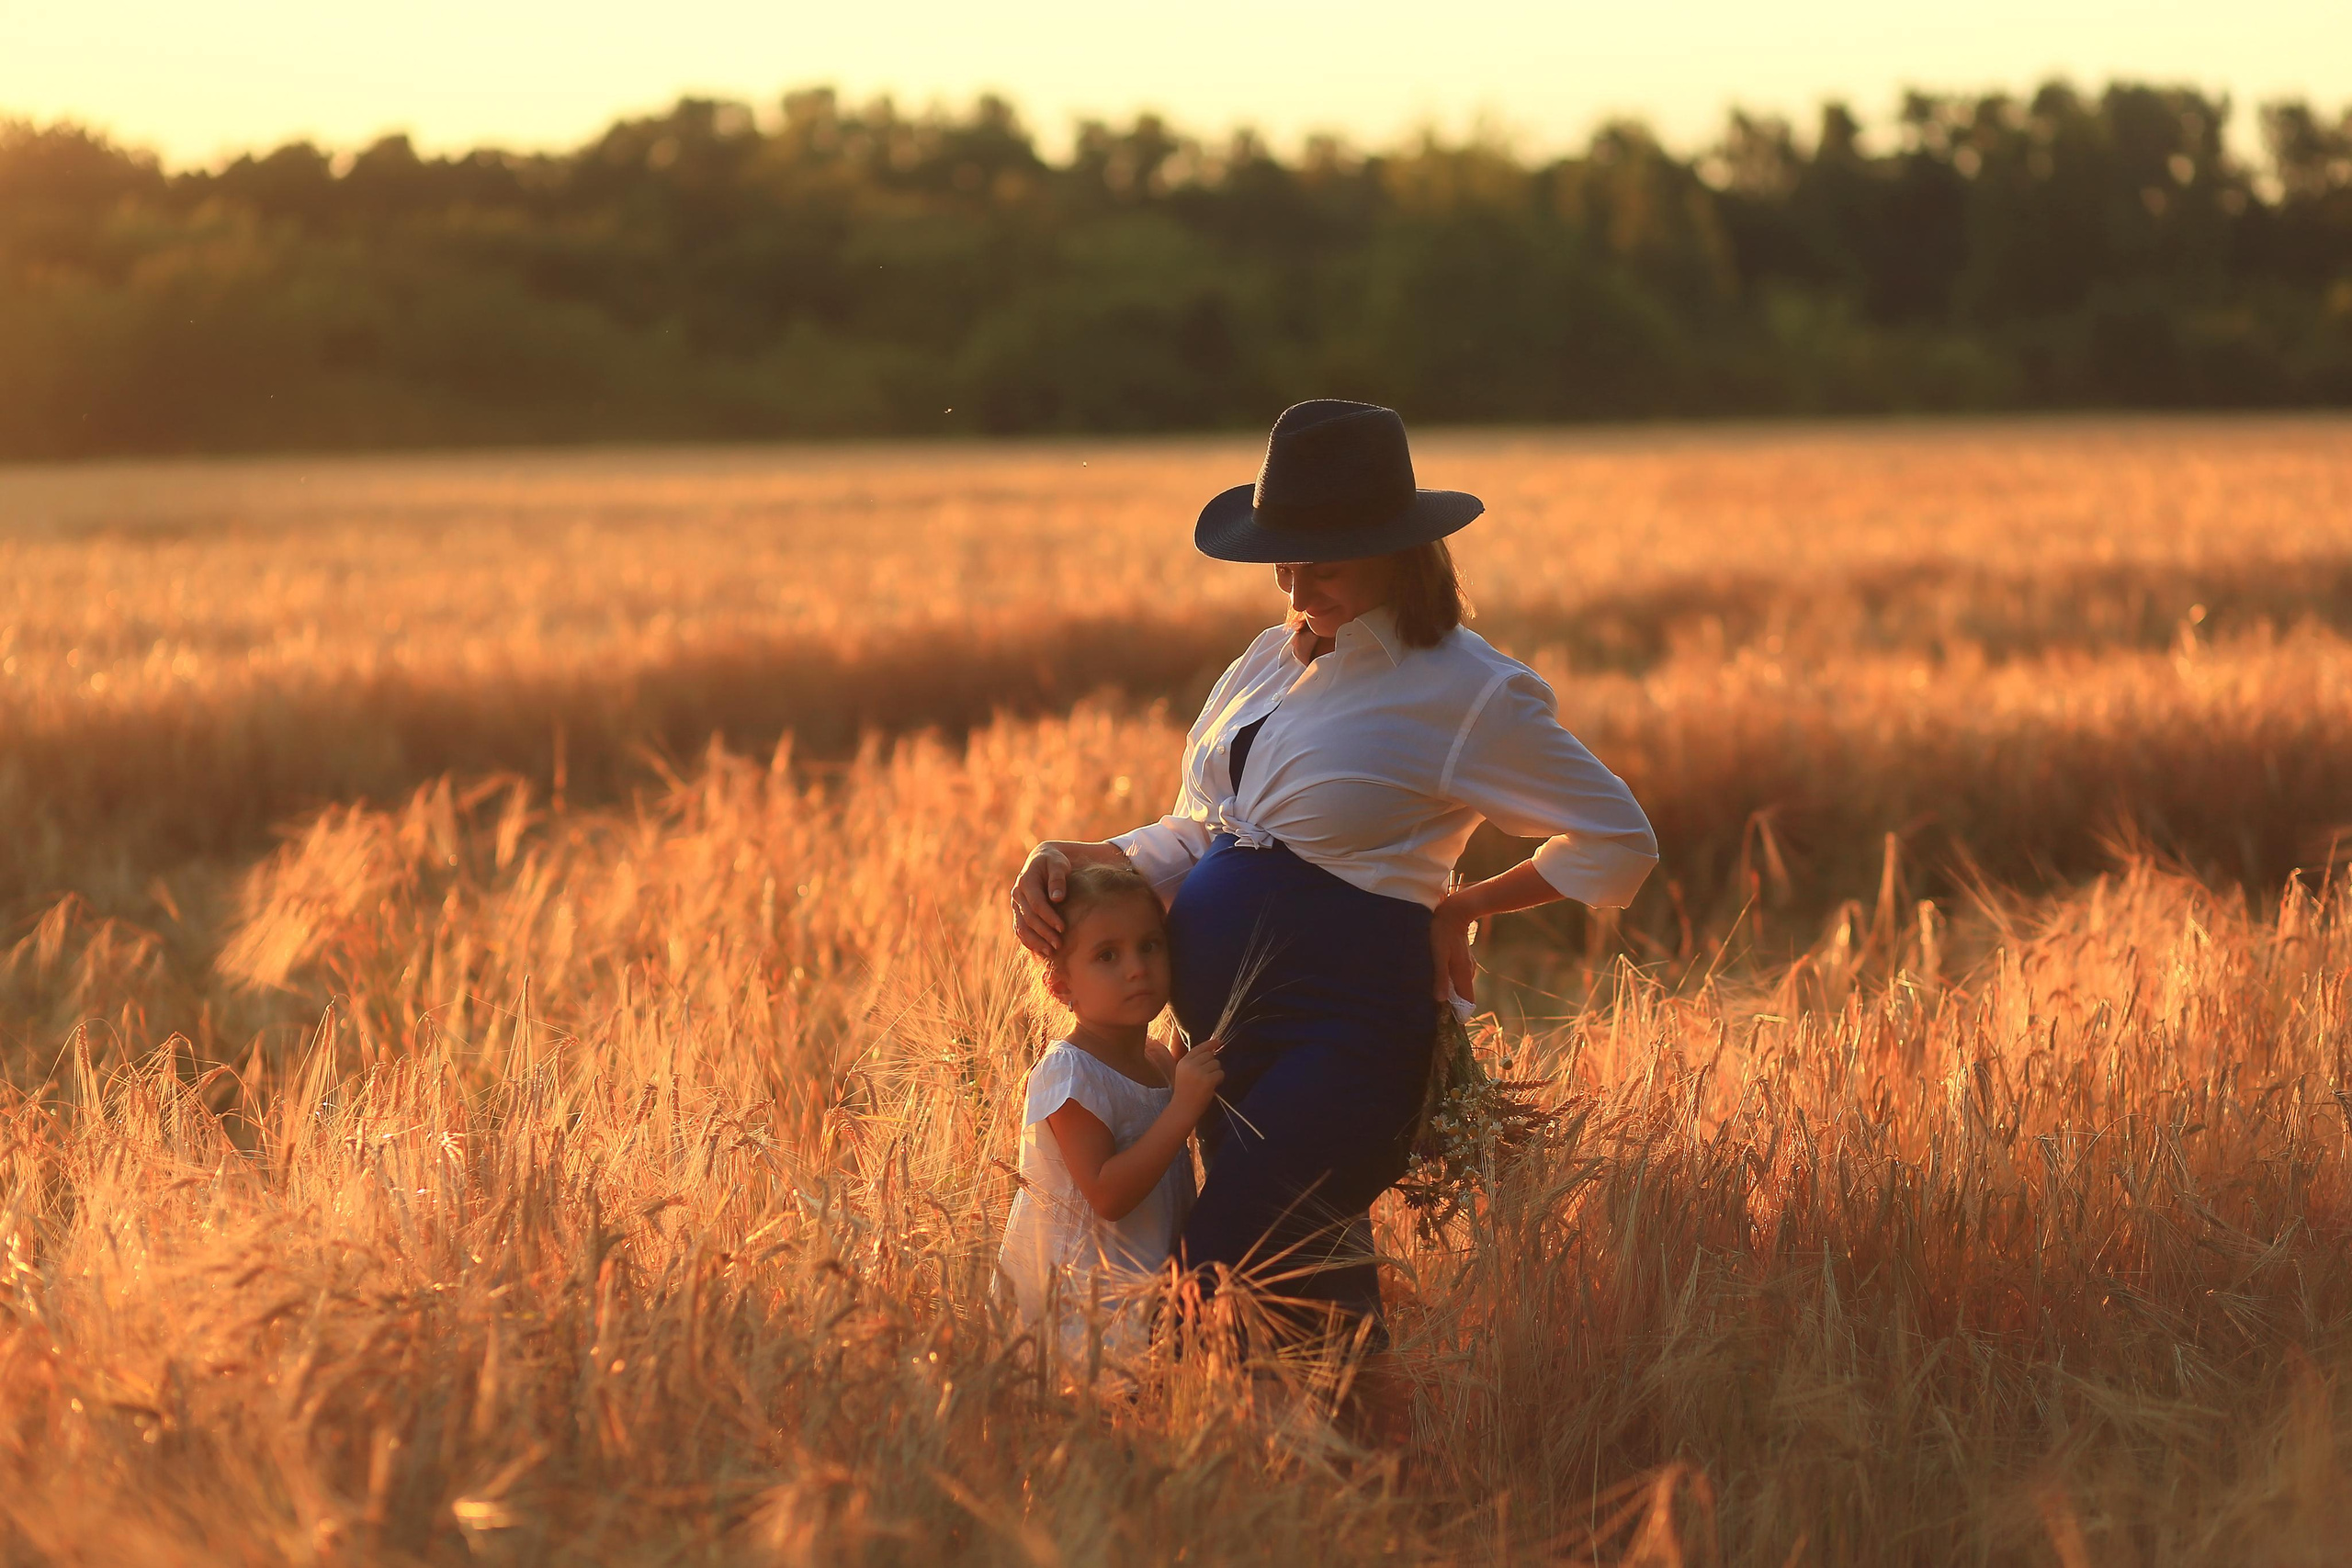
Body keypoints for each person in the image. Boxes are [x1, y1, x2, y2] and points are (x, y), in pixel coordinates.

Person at [1011, 400, 1657, 1352]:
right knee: (1306, 1300)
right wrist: (1074, 856)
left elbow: (1617, 837)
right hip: (1229, 1042)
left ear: (1397, 551)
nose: (1294, 582)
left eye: (1324, 562)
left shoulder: (1464, 687)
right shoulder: (1267, 662)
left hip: (1345, 1034)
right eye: (1284, 556)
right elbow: (1207, 829)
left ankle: (1211, 1468)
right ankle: (1362, 1487)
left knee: (1214, 1279)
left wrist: (1464, 904)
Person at [997, 861, 1227, 1367]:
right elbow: (1106, 1193)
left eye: (1150, 945)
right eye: (1107, 955)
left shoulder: (1160, 1061)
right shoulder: (1070, 1074)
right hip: (1086, 1314)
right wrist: (1184, 1109)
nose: (1136, 968)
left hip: (1149, 1301)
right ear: (1060, 986)